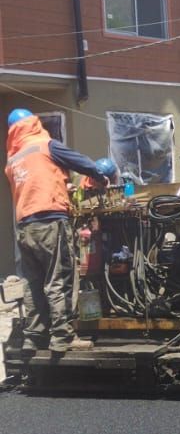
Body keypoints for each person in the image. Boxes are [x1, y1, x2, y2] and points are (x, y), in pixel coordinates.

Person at [4, 110, 110, 355]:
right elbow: (83, 163)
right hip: (50, 222)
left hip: (24, 227)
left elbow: (35, 182)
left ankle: (34, 337)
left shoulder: (13, 158)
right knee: (58, 279)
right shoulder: (45, 145)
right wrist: (100, 177)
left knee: (32, 283)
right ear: (33, 122)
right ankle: (62, 337)